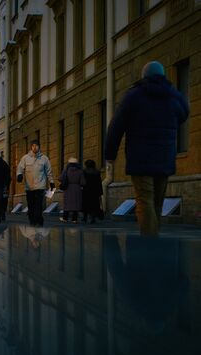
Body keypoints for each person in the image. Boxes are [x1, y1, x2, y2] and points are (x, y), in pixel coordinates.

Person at [105, 61, 189, 236]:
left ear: (144, 76)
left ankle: (149, 243)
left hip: (140, 157)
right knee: (157, 202)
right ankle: (154, 237)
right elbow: (184, 112)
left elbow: (116, 126)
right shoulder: (172, 94)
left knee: (144, 201)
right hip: (165, 156)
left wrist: (110, 154)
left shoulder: (134, 96)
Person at [17, 140, 55, 226]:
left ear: (39, 147)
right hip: (29, 187)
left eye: (36, 146)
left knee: (38, 205)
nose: (35, 147)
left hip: (40, 186)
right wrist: (19, 175)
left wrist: (52, 182)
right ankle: (32, 220)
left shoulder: (44, 158)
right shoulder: (25, 158)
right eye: (33, 145)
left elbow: (49, 172)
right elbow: (20, 168)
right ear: (31, 147)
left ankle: (38, 221)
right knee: (31, 205)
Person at [58, 157, 85, 223]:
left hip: (68, 188)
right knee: (76, 204)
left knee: (67, 204)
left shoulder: (66, 170)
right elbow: (83, 182)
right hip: (77, 189)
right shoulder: (80, 171)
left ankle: (65, 218)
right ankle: (74, 219)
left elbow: (60, 178)